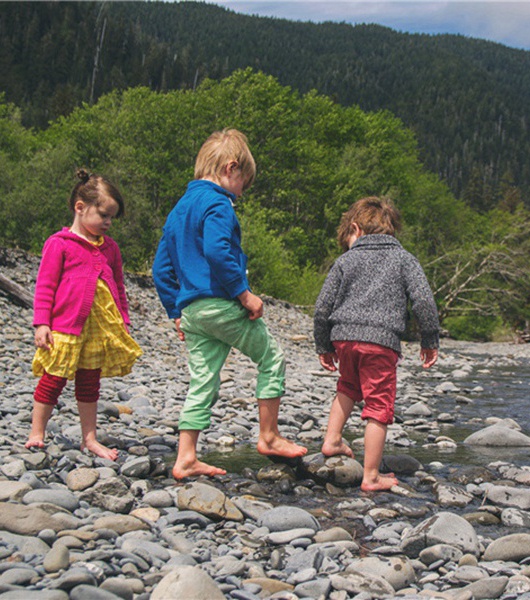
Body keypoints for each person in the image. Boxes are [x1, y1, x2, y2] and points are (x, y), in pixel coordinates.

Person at [152, 128, 307, 480]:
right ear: (230, 169)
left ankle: (186, 457)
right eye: (243, 185)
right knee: (271, 358)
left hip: (192, 312)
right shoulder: (218, 203)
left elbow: (161, 268)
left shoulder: (178, 210)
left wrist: (175, 313)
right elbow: (218, 251)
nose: (241, 194)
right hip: (222, 304)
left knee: (203, 381)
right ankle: (268, 436)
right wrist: (244, 294)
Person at [314, 196, 439, 491]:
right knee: (378, 405)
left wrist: (323, 345)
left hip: (343, 338)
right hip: (381, 342)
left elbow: (322, 307)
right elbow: (423, 300)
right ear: (392, 229)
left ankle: (332, 440)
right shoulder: (404, 259)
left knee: (347, 386)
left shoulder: (345, 260)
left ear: (355, 228)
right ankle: (370, 475)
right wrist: (429, 338)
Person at [27, 169, 142, 460]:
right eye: (104, 215)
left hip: (98, 330)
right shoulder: (59, 244)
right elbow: (46, 286)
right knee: (53, 378)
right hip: (65, 327)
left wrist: (123, 321)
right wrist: (42, 323)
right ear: (80, 207)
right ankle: (36, 432)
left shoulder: (110, 249)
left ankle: (89, 438)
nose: (108, 222)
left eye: (111, 218)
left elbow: (118, 287)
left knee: (90, 382)